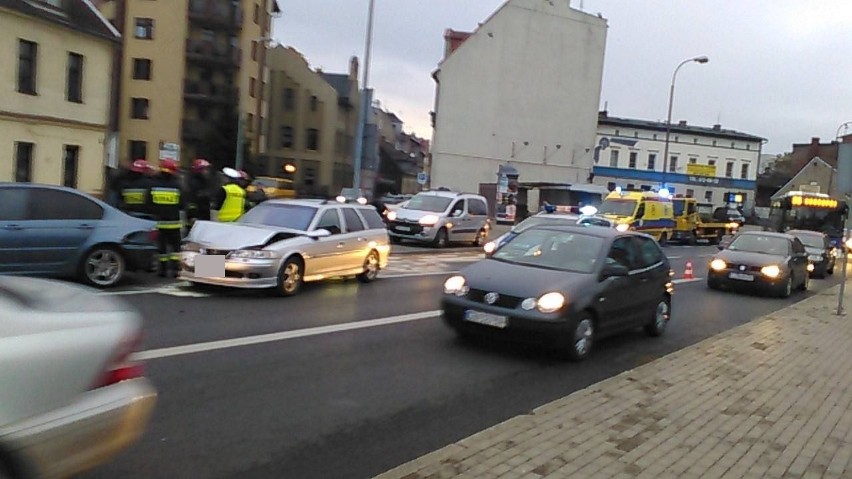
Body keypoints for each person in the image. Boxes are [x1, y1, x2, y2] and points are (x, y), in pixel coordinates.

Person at [149, 159, 185, 277]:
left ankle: (162, 270)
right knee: (175, 249)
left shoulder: (154, 185)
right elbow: (182, 205)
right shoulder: (177, 185)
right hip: (174, 223)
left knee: (162, 248)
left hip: (159, 223)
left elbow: (149, 203)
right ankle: (175, 270)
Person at [186, 158, 213, 226]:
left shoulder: (205, 183)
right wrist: (192, 216)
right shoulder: (194, 184)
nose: (207, 172)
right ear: (199, 170)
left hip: (204, 218)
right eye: (205, 169)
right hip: (196, 219)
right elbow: (190, 202)